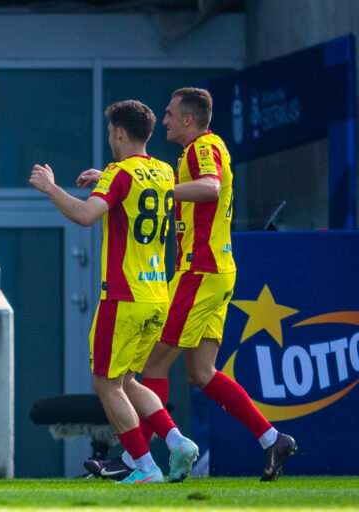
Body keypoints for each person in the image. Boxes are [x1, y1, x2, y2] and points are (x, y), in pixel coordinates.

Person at [30, 100, 199, 484]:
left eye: (110, 132)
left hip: (123, 296)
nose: (110, 137)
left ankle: (145, 467)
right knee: (126, 381)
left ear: (119, 133)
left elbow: (86, 216)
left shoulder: (119, 174)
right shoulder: (162, 171)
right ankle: (177, 441)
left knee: (104, 384)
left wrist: (50, 188)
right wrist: (105, 177)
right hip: (158, 296)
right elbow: (132, 189)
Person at [137, 87, 296, 482]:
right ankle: (272, 438)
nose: (166, 120)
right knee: (202, 373)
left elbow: (208, 187)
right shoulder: (197, 151)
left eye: (171, 114)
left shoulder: (202, 147)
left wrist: (160, 191)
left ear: (189, 119)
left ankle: (138, 460)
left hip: (200, 270)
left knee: (153, 363)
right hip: (215, 270)